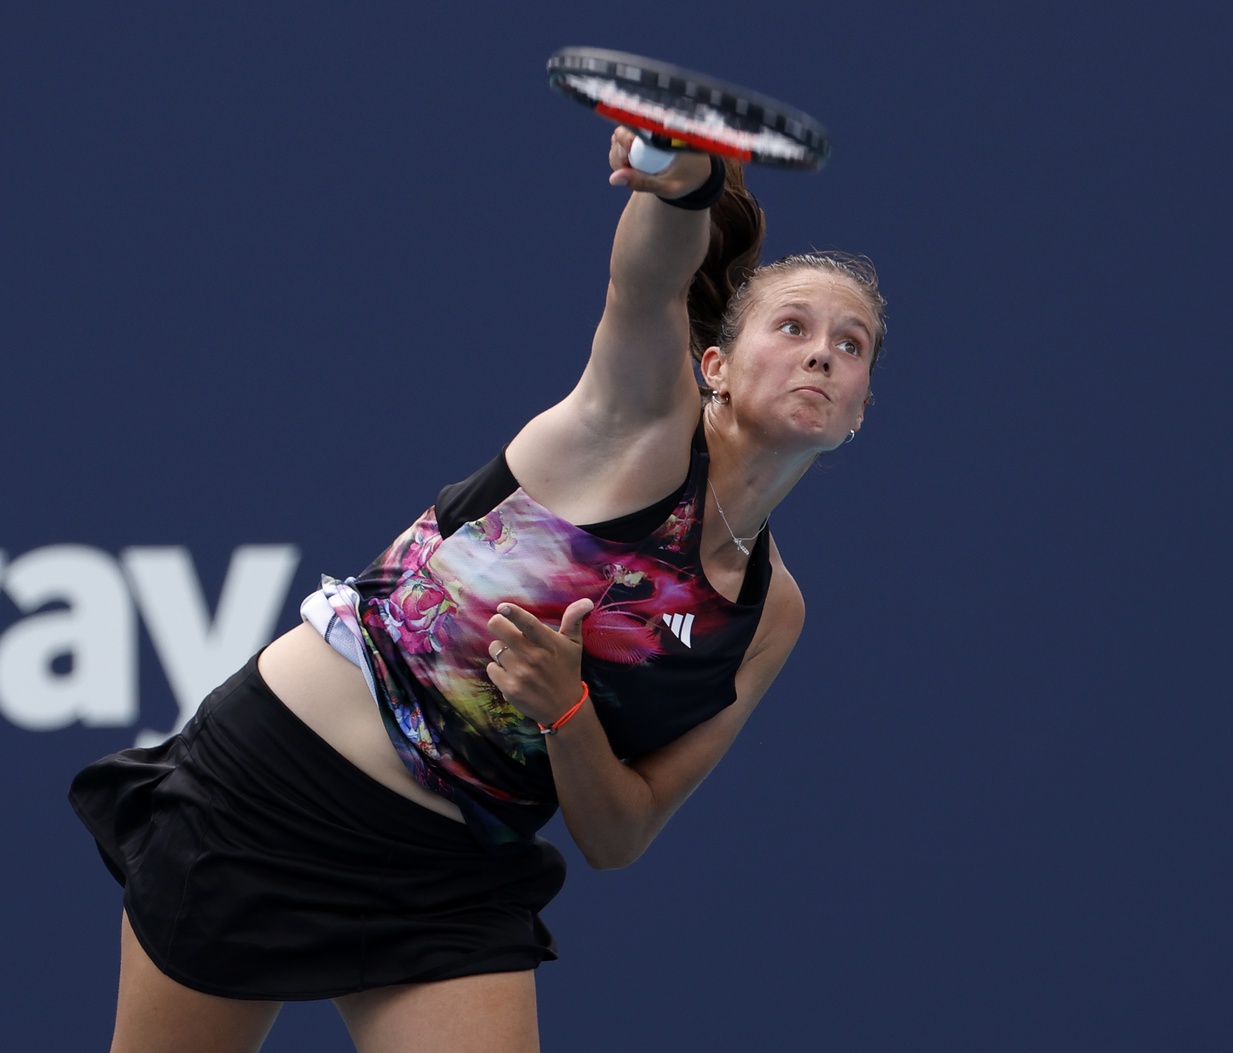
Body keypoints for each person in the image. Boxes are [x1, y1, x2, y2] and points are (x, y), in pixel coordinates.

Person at [69, 125, 887, 1053]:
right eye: (793, 328)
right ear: (715, 368)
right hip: (271, 793)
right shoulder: (640, 433)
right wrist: (681, 188)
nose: (822, 354)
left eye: (850, 345)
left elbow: (620, 833)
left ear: (860, 409)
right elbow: (645, 286)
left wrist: (566, 708)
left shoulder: (772, 612)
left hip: (452, 874)